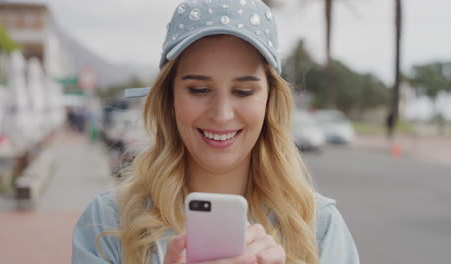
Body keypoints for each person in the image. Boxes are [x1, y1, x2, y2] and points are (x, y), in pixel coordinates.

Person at [72, 1, 359, 263]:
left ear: (270, 100)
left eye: (243, 91)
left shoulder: (319, 226)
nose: (221, 114)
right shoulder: (108, 222)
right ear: (169, 97)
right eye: (199, 89)